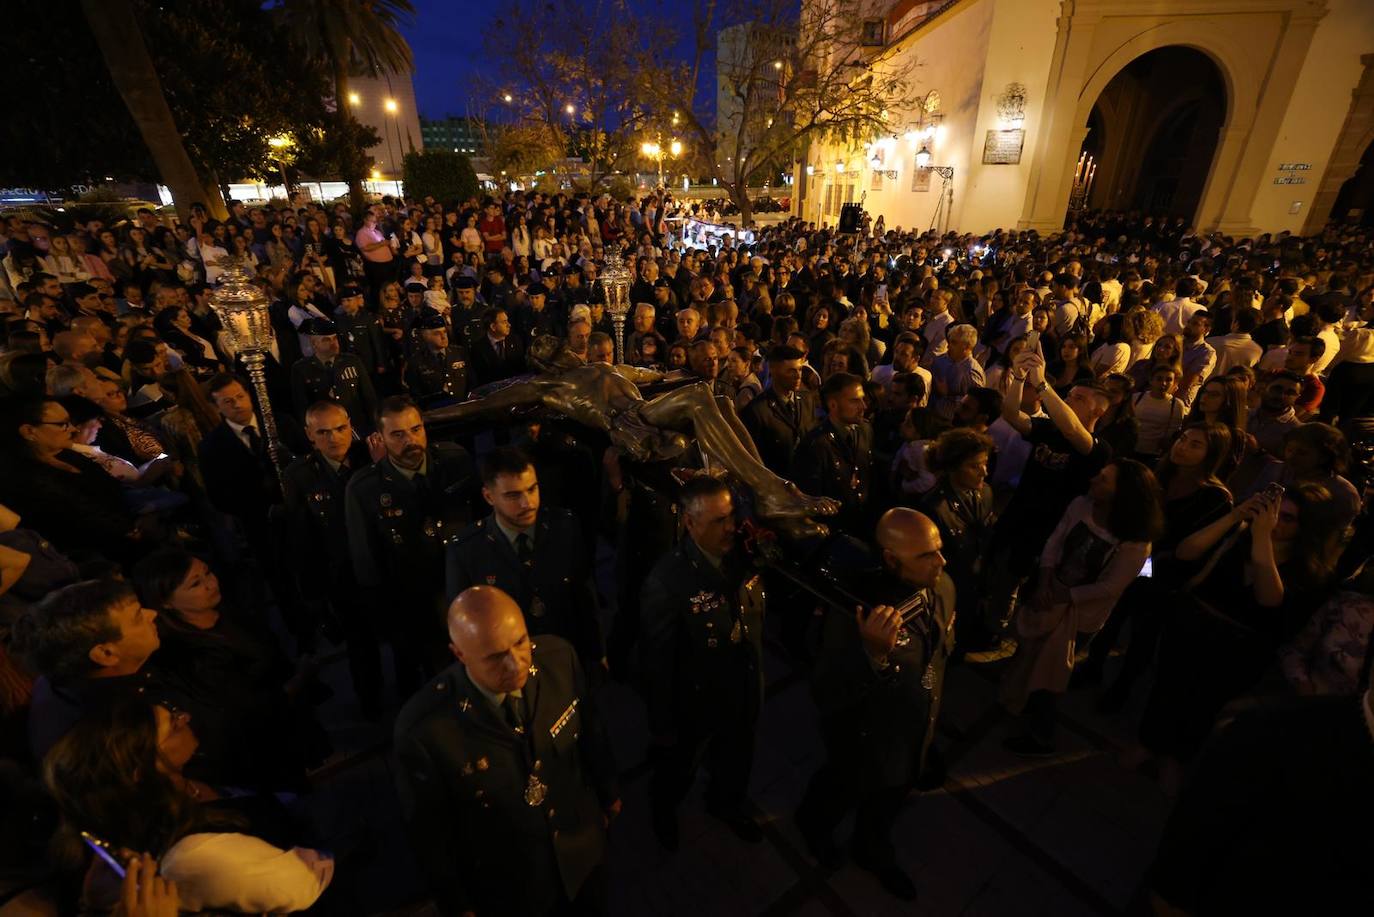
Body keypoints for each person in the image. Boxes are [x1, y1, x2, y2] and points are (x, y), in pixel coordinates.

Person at [393, 586, 619, 917]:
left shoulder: (558, 658)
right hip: (511, 884)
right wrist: (457, 904)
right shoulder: (426, 731)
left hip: (580, 850)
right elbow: (431, 834)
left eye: (521, 642)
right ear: (459, 654)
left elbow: (590, 732)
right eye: (496, 656)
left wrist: (609, 789)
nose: (517, 664)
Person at [1135, 481, 1343, 795]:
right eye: (1276, 514)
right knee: (1169, 686)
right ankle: (1148, 744)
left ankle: (1174, 758)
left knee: (1204, 703)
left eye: (1288, 518)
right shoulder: (1239, 538)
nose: (1275, 523)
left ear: (1307, 528)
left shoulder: (1308, 571)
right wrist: (1235, 517)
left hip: (1239, 647)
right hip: (1192, 626)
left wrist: (1262, 537)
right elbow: (1185, 552)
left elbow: (1269, 599)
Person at [43, 699, 333, 914]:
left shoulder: (182, 778)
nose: (185, 717)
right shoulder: (194, 856)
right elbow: (299, 886)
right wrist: (328, 847)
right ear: (142, 771)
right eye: (173, 724)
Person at [796, 508, 954, 900]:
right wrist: (873, 657)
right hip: (864, 738)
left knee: (888, 801)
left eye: (939, 549)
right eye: (926, 555)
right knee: (840, 788)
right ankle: (814, 828)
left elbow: (938, 651)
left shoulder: (943, 585)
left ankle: (871, 851)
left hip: (913, 731)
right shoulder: (858, 614)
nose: (941, 561)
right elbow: (828, 691)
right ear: (889, 559)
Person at [999, 459, 1162, 755]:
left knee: (1050, 674)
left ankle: (1041, 735)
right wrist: (1046, 580)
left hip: (1081, 616)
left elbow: (1112, 587)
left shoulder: (1136, 542)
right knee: (1028, 652)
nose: (1092, 481)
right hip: (1048, 595)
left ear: (1122, 494)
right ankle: (1018, 703)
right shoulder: (1081, 505)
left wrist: (1064, 597)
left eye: (1103, 480)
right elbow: (1055, 541)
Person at [640, 477, 765, 850]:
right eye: (717, 521)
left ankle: (725, 805)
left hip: (742, 690)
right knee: (678, 770)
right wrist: (662, 725)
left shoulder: (744, 555)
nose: (729, 527)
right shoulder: (668, 581)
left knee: (736, 760)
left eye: (730, 516)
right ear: (690, 523)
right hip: (694, 705)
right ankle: (663, 812)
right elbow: (657, 663)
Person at [975, 350, 1112, 653]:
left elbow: (1073, 430)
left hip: (1049, 531)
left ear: (1097, 412)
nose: (1068, 401)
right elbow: (1013, 415)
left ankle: (1013, 643)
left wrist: (1043, 386)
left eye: (1078, 399)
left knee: (1027, 589)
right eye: (1070, 395)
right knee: (999, 573)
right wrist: (1021, 378)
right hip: (1018, 514)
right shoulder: (1049, 430)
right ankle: (990, 629)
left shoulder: (1097, 449)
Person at [345, 396, 477, 692]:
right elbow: (367, 564)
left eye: (416, 429)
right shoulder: (365, 489)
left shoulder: (455, 461)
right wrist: (388, 624)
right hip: (413, 605)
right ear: (380, 437)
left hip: (465, 594)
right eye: (398, 434)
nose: (411, 440)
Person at [445, 447, 603, 669]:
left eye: (532, 489)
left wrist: (597, 655)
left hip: (565, 658)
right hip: (508, 666)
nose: (527, 503)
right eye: (513, 495)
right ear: (489, 496)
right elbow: (463, 627)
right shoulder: (466, 550)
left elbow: (585, 597)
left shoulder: (564, 527)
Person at [282, 400, 382, 714]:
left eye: (340, 429)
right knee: (361, 646)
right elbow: (301, 541)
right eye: (323, 432)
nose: (334, 438)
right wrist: (314, 595)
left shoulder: (371, 457)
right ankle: (371, 704)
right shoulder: (300, 475)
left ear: (350, 424)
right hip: (343, 577)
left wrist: (382, 468)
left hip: (383, 566)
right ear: (310, 435)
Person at [920, 428, 996, 649]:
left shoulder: (986, 492)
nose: (984, 472)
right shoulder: (934, 507)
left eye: (985, 463)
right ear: (952, 467)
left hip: (974, 583)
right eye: (974, 466)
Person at [288, 318, 379, 436]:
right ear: (314, 343)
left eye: (335, 338)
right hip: (327, 433)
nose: (334, 344)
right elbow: (302, 408)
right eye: (326, 340)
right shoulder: (301, 369)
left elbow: (369, 397)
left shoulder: (351, 361)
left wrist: (374, 428)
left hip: (357, 429)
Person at [740, 344, 819, 475]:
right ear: (773, 370)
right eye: (791, 371)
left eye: (800, 370)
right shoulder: (757, 411)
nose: (798, 376)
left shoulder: (807, 400)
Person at [405, 311, 471, 408]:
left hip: (464, 409)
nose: (443, 337)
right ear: (425, 336)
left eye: (444, 332)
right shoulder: (416, 361)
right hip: (437, 413)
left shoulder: (460, 353)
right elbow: (416, 396)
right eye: (437, 333)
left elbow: (472, 382)